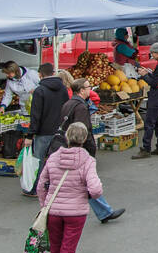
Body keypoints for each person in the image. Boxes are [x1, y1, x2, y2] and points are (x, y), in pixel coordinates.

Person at [36, 122, 105, 253]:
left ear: (67, 137)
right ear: (83, 139)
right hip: (75, 214)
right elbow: (96, 189)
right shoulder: (88, 161)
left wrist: (44, 205)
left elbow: (41, 185)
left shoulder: (53, 157)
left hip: (54, 212)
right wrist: (88, 195)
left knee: (56, 249)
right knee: (67, 252)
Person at [49, 78, 125, 224]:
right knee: (86, 182)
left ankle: (104, 212)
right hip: (78, 149)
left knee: (80, 183)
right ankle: (103, 212)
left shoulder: (68, 104)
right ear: (82, 90)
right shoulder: (81, 108)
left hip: (68, 146)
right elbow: (82, 130)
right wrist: (88, 149)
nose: (90, 89)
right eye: (88, 87)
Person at [25, 63, 69, 195]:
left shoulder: (40, 90)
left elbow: (35, 116)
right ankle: (57, 186)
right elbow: (66, 108)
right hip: (59, 130)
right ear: (53, 72)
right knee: (58, 160)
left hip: (43, 132)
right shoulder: (62, 88)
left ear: (40, 74)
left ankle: (35, 189)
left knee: (38, 160)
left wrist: (29, 135)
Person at [132, 42, 158, 159]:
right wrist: (148, 73)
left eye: (152, 53)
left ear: (156, 53)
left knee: (149, 122)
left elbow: (153, 83)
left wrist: (144, 75)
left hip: (157, 94)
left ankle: (146, 149)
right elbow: (157, 79)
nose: (151, 55)